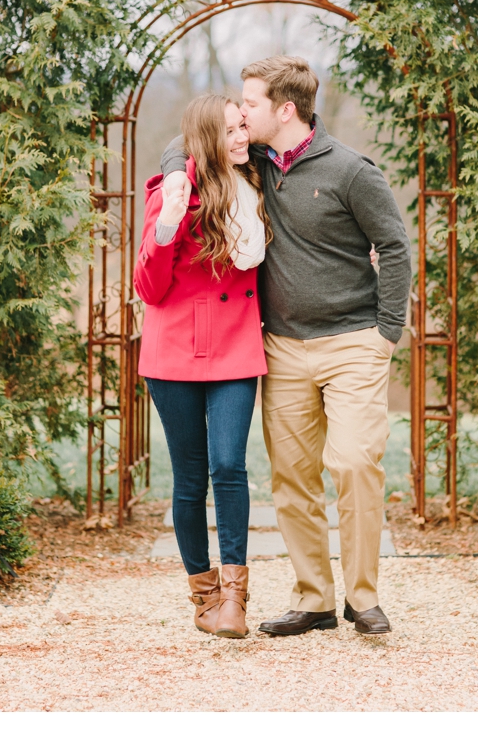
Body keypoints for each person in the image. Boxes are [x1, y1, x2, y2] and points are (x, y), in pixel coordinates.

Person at [159, 56, 410, 637]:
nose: (240, 114)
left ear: (285, 110)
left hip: (354, 342)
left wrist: (386, 332)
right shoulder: (258, 163)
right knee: (292, 477)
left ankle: (363, 596)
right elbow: (187, 137)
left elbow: (394, 246)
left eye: (249, 104)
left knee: (352, 464)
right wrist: (176, 170)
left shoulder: (351, 170)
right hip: (281, 346)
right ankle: (314, 599)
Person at [135, 94, 270, 638]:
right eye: (230, 131)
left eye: (243, 126)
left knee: (229, 466)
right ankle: (204, 598)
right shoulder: (171, 191)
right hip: (173, 352)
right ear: (206, 139)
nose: (241, 137)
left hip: (237, 344)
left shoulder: (257, 182)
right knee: (189, 480)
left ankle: (236, 600)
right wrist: (169, 220)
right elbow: (149, 287)